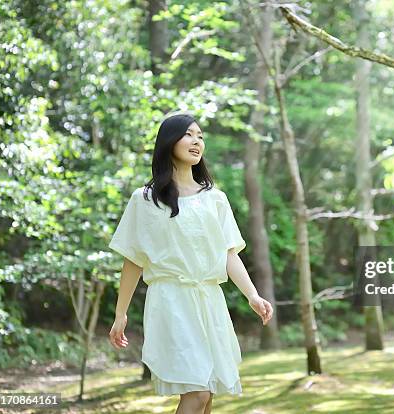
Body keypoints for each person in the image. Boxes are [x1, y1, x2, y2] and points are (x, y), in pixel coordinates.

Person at [107, 112, 273, 414]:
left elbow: (228, 253)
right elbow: (134, 259)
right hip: (171, 300)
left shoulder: (215, 199)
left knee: (207, 393)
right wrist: (121, 314)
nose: (197, 141)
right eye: (188, 134)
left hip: (209, 300)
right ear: (169, 142)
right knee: (197, 392)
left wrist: (252, 295)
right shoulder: (145, 199)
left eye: (200, 136)